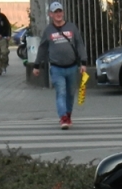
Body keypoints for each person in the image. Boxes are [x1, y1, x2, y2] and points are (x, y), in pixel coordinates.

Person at [34, 1, 88, 129]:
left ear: (63, 13)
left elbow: (79, 44)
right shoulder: (48, 30)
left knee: (70, 93)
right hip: (56, 68)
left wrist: (84, 62)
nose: (58, 14)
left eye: (60, 11)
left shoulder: (72, 27)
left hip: (72, 67)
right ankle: (63, 117)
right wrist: (36, 65)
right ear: (50, 14)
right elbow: (42, 48)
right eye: (55, 12)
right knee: (61, 92)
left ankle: (68, 115)